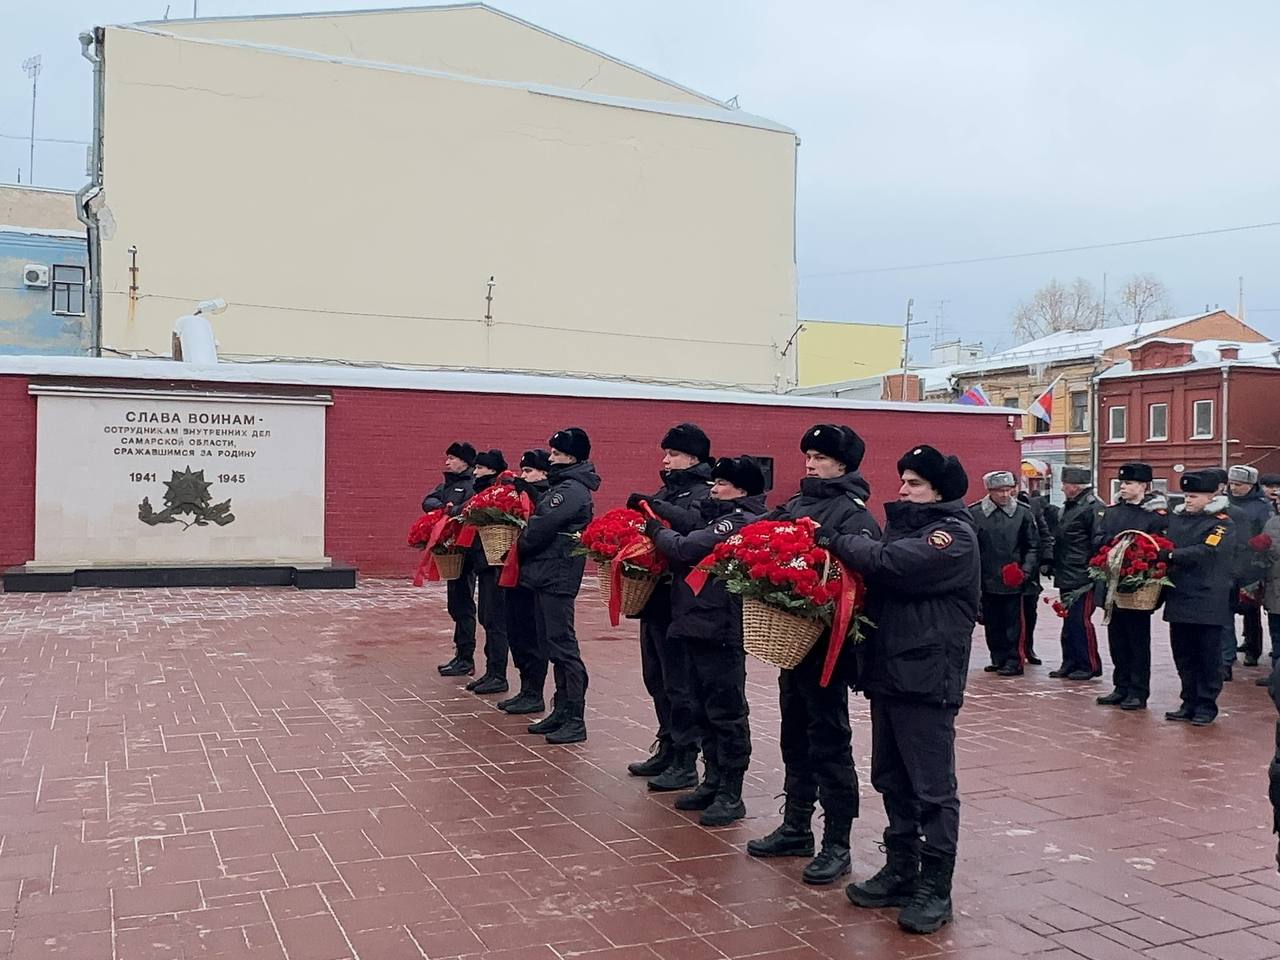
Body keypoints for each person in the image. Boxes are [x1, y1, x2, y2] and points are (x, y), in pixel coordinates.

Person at [828, 444, 977, 936]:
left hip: (927, 677)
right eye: (903, 481)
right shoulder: (908, 527)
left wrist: (838, 540)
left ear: (939, 490)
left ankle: (936, 886)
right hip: (891, 672)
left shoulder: (952, 536)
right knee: (891, 776)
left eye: (914, 484)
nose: (903, 490)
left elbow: (891, 563)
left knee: (932, 788)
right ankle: (901, 868)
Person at [747, 424, 881, 887]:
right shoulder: (797, 503)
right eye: (808, 455)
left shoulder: (853, 513)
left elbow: (860, 576)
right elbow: (761, 536)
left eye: (820, 457)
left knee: (829, 740)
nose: (810, 463)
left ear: (842, 464)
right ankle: (796, 826)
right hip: (792, 642)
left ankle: (837, 843)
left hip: (828, 647)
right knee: (794, 735)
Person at [646, 455, 768, 826]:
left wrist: (655, 530)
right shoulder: (719, 515)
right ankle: (712, 780)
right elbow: (692, 522)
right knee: (702, 707)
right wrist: (656, 506)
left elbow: (686, 547)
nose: (714, 489)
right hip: (698, 623)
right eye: (714, 482)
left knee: (726, 712)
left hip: (721, 627)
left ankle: (731, 791)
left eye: (723, 484)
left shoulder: (740, 520)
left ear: (742, 490)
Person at [624, 423, 714, 788]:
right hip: (654, 598)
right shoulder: (669, 489)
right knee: (656, 678)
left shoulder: (704, 493)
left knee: (681, 684)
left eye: (673, 454)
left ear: (692, 457)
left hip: (682, 601)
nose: (665, 460)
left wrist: (654, 507)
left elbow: (693, 525)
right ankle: (667, 744)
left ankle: (685, 757)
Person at [519, 428, 599, 744]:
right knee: (552, 645)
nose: (550, 458)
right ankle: (561, 710)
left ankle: (575, 717)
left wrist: (517, 545)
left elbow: (542, 525)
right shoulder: (562, 486)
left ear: (571, 456)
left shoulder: (572, 490)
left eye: (555, 453)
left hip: (557, 575)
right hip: (546, 573)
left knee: (564, 647)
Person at [1160, 470, 1234, 726]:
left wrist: (1171, 556)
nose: (1188, 500)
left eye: (1194, 496)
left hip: (1207, 598)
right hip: (1179, 595)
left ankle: (1206, 704)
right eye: (1186, 496)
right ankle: (1188, 701)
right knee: (1184, 655)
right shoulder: (1178, 519)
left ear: (1211, 496)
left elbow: (1208, 550)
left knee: (1207, 657)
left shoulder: (1222, 522)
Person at [1092, 463, 1168, 710]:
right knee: (1117, 640)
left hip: (1138, 586)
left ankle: (1138, 691)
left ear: (1143, 486)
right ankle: (1121, 686)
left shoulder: (1155, 516)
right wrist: (1113, 545)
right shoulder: (1112, 512)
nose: (1123, 487)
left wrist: (1134, 552)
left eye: (1129, 483)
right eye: (1122, 483)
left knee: (1137, 641)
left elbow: (1159, 547)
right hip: (1113, 583)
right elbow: (1098, 538)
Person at [497, 450, 552, 714]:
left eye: (529, 471)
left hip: (535, 575)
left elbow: (541, 528)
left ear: (544, 473)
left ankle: (535, 692)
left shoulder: (548, 495)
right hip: (515, 573)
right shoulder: (519, 494)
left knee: (532, 635)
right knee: (516, 631)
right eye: (523, 470)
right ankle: (525, 688)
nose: (523, 476)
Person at [970, 472, 1039, 676]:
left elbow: (1032, 545)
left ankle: (1013, 660)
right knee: (992, 622)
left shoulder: (1023, 512)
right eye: (1000, 491)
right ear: (990, 491)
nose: (1005, 494)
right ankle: (998, 657)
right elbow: (972, 547)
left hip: (1014, 578)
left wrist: (1025, 570)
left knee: (1013, 623)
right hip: (986, 577)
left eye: (1009, 490)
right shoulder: (975, 513)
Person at [422, 441, 478, 677]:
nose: (447, 462)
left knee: (463, 604)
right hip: (450, 551)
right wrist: (444, 507)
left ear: (464, 461)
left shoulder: (471, 484)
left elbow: (468, 509)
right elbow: (428, 500)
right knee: (455, 603)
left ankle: (466, 657)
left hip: (465, 552)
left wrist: (452, 510)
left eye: (452, 458)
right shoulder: (448, 484)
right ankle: (460, 653)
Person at [465, 449, 512, 696]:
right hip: (484, 564)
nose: (475, 472)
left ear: (492, 470)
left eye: (480, 468)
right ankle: (491, 671)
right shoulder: (481, 492)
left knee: (496, 620)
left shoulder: (499, 492)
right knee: (486, 617)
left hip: (495, 565)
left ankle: (498, 674)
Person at [1051, 467, 1106, 681]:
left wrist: (1092, 570)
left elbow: (1098, 541)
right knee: (1068, 621)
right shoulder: (1070, 506)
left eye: (1065, 484)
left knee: (1080, 621)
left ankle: (1088, 664)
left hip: (1083, 574)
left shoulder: (1093, 507)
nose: (1062, 488)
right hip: (1067, 571)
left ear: (1075, 486)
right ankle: (1070, 662)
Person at [1227, 466, 1271, 668]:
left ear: (1251, 485)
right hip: (1228, 563)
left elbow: (1266, 533)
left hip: (1251, 564)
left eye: (1239, 484)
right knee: (1226, 608)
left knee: (1251, 609)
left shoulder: (1261, 507)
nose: (1234, 488)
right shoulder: (1224, 503)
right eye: (1232, 484)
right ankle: (1228, 652)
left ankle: (1253, 649)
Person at [1017, 490, 1055, 666]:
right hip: (1005, 566)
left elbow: (1044, 535)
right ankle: (1007, 651)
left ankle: (1028, 647)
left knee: (1029, 611)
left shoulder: (1032, 506)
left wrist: (1047, 559)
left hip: (1030, 568)